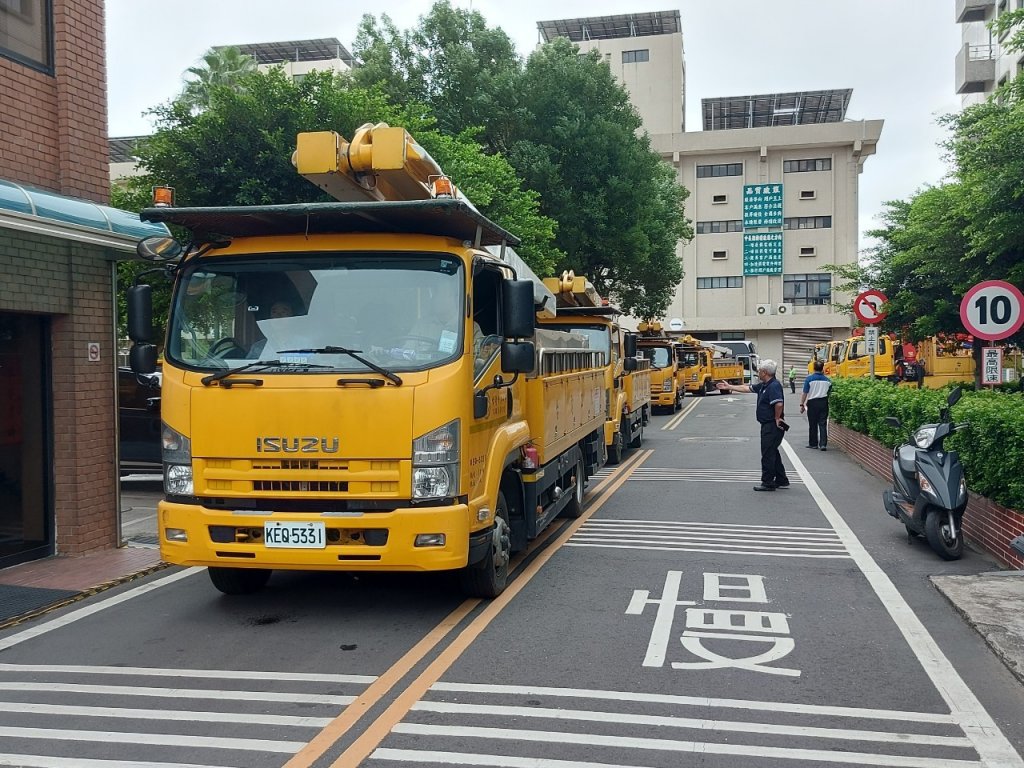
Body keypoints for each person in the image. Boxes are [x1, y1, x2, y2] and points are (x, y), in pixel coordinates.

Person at [717, 359, 791, 492]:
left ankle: (768, 482)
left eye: (760, 371)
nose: (758, 373)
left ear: (766, 372)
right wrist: (730, 387)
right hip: (767, 424)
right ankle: (781, 479)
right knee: (772, 450)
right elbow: (747, 388)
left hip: (771, 425)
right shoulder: (764, 385)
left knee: (767, 453)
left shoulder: (773, 386)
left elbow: (779, 403)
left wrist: (777, 418)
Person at [800, 360, 832, 451]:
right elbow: (829, 393)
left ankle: (813, 443)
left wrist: (802, 404)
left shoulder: (809, 379)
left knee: (813, 423)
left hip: (813, 403)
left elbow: (805, 393)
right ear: (822, 368)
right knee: (822, 423)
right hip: (823, 402)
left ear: (814, 368)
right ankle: (823, 444)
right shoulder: (828, 380)